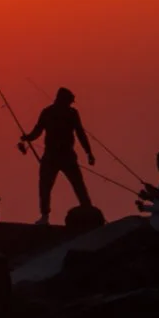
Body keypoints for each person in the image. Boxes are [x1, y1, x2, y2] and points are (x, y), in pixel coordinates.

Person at [19, 86, 95, 224]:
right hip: (55, 156)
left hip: (62, 156)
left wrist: (88, 152)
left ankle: (87, 210)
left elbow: (80, 134)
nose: (70, 104)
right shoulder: (59, 113)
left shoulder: (60, 113)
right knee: (49, 186)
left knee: (72, 184)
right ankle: (46, 215)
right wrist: (28, 138)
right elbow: (38, 130)